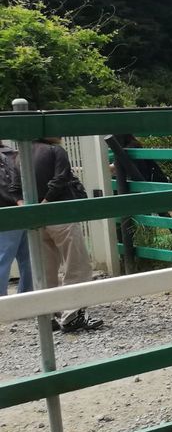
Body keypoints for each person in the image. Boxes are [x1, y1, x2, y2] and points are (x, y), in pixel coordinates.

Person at [33, 137, 103, 331]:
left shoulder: (19, 155)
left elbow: (14, 187)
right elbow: (61, 179)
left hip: (34, 220)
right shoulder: (56, 151)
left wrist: (30, 210)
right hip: (60, 214)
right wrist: (45, 203)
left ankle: (47, 316)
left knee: (45, 269)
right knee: (77, 265)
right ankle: (72, 314)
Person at [0, 142, 32, 297]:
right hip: (21, 208)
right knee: (28, 258)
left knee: (3, 259)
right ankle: (27, 297)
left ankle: (2, 304)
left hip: (6, 210)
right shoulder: (15, 154)